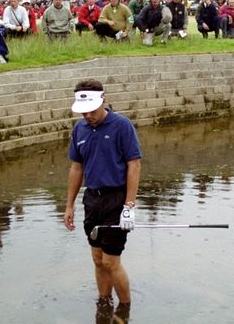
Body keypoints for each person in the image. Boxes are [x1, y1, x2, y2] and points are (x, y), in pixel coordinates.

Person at [63, 78, 141, 319]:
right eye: (83, 112)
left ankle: (124, 309)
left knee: (110, 260)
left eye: (92, 111)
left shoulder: (122, 125)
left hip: (116, 199)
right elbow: (77, 168)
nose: (87, 116)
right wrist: (69, 205)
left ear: (103, 101)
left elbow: (134, 165)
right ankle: (104, 303)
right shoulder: (80, 129)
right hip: (92, 200)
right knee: (97, 258)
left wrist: (129, 205)